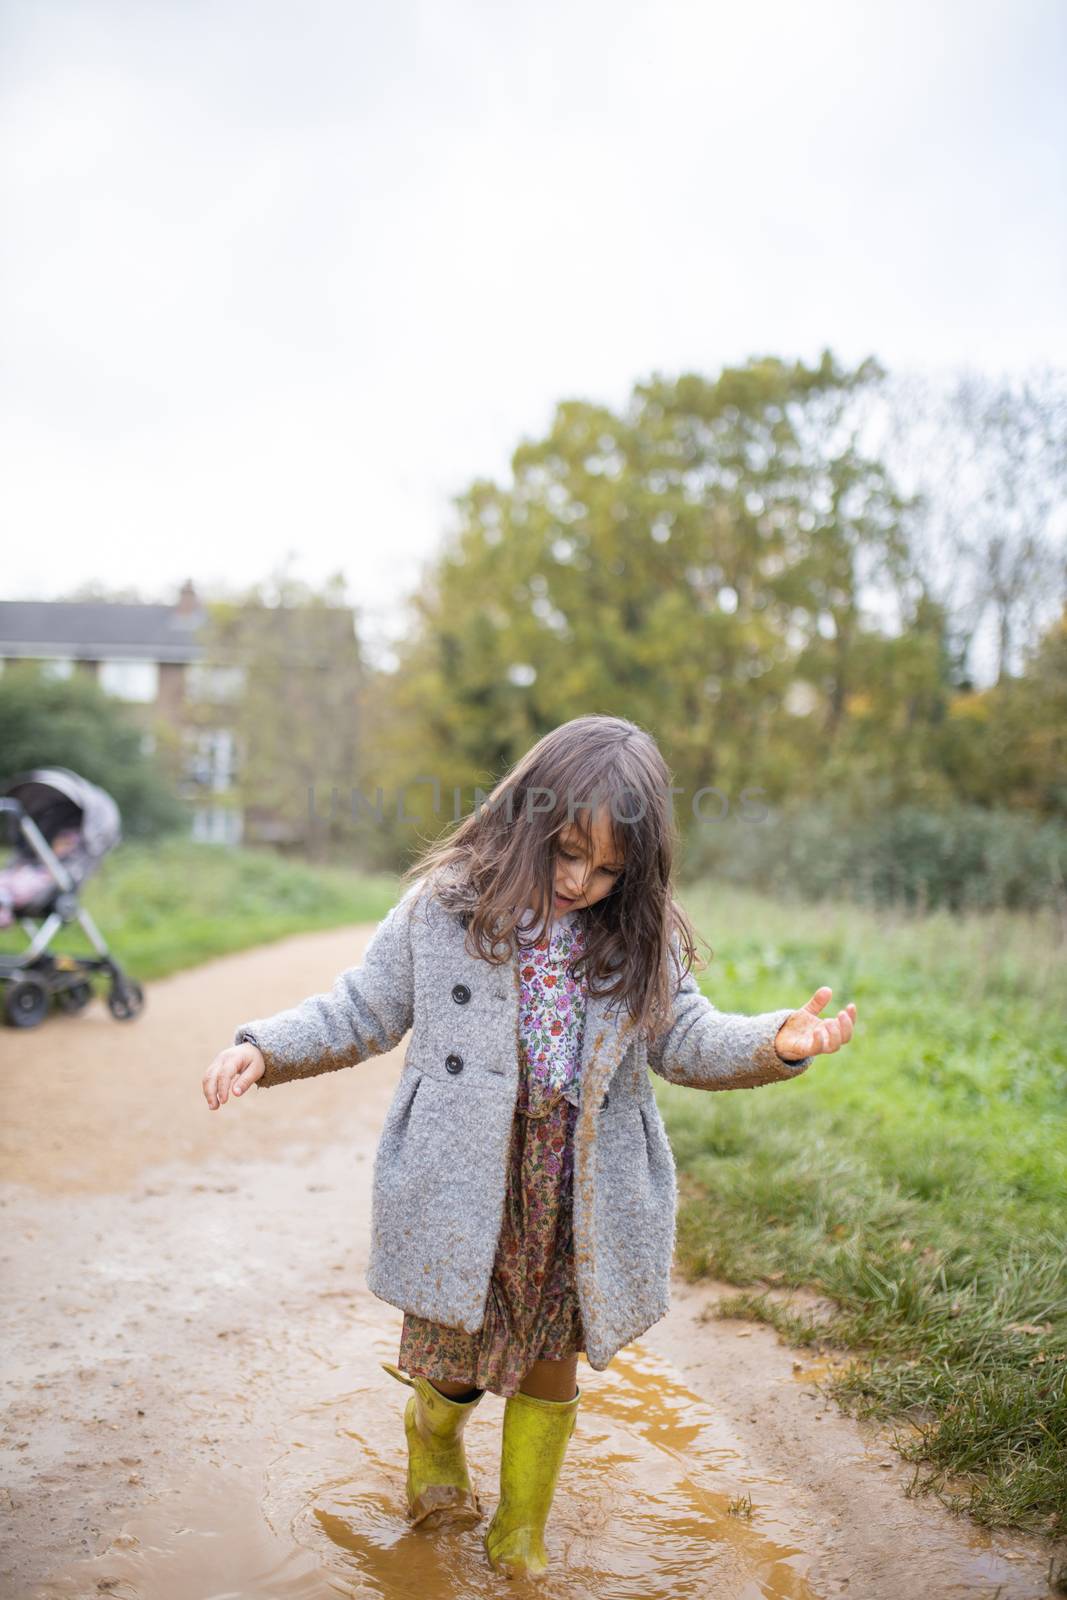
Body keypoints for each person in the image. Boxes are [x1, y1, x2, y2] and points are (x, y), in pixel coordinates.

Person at [202, 714, 858, 1579]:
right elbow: (362, 1007)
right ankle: (433, 1435)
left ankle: (521, 1524)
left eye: (609, 868)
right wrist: (268, 1046)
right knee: (457, 1358)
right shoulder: (443, 908)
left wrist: (777, 1042)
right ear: (525, 820)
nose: (582, 880)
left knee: (553, 1356)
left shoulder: (639, 937)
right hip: (463, 1173)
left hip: (575, 1182)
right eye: (566, 853)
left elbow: (686, 1039)